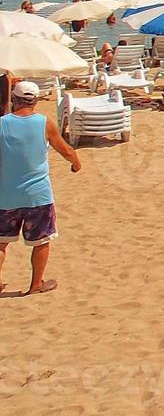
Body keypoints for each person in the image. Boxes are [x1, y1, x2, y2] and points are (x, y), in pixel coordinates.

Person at [0, 81, 81, 295]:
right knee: (41, 241)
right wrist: (76, 164)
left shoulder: (1, 123)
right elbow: (66, 150)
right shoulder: (44, 123)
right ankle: (36, 285)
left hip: (6, 195)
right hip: (38, 196)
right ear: (35, 101)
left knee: (1, 242)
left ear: (13, 100)